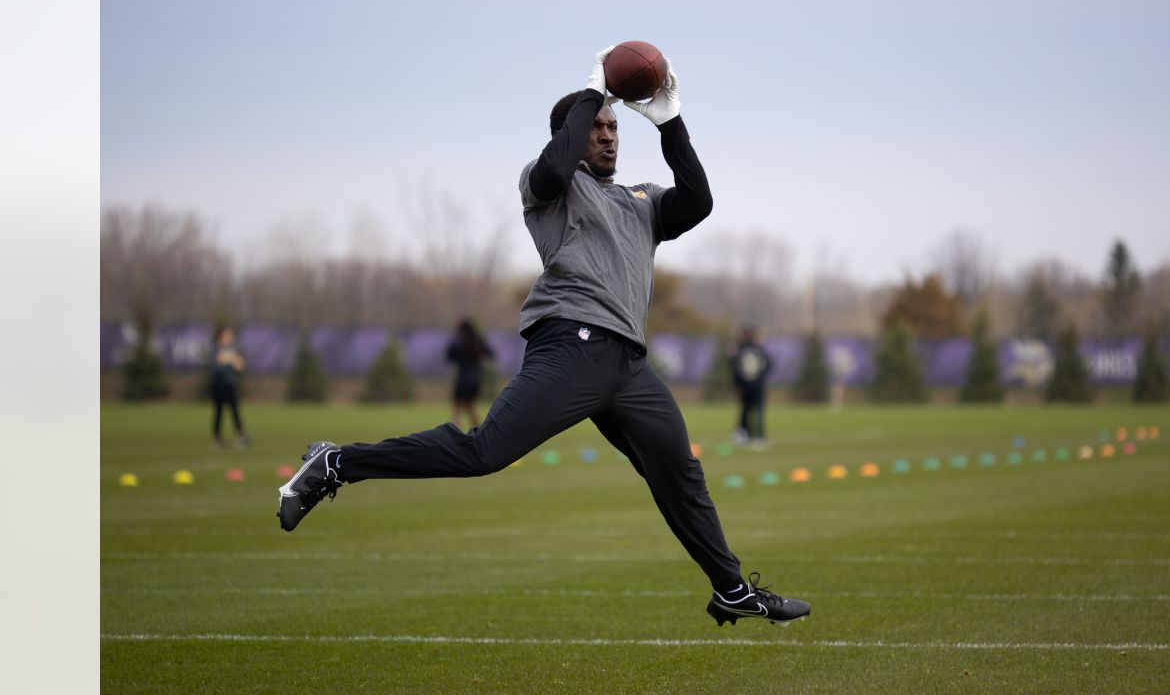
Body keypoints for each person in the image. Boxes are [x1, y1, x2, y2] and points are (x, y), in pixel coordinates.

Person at [276, 46, 811, 627]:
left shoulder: (641, 202)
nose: (609, 136)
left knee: (679, 471)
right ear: (572, 133)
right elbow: (556, 167)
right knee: (483, 453)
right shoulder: (549, 185)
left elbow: (700, 202)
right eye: (598, 128)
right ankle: (336, 464)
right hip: (573, 346)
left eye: (614, 127)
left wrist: (670, 119)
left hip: (627, 366)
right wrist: (593, 92)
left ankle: (730, 589)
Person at [446, 319, 493, 429]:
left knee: (457, 406)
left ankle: (456, 430)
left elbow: (449, 355)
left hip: (463, 378)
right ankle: (481, 430)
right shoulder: (478, 340)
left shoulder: (460, 341)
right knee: (470, 406)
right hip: (475, 378)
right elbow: (491, 353)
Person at [730, 326, 772, 450]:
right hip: (756, 385)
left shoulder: (741, 350)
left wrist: (738, 384)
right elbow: (768, 365)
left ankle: (750, 435)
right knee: (752, 410)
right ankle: (753, 435)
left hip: (747, 386)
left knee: (750, 409)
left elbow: (735, 368)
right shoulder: (758, 350)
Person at [210, 326, 249, 448]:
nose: (230, 337)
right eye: (227, 335)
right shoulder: (216, 349)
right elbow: (215, 366)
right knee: (219, 411)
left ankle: (240, 436)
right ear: (221, 336)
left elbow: (240, 366)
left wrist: (232, 362)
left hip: (230, 384)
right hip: (218, 385)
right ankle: (217, 438)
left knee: (234, 411)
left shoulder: (235, 349)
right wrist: (229, 363)